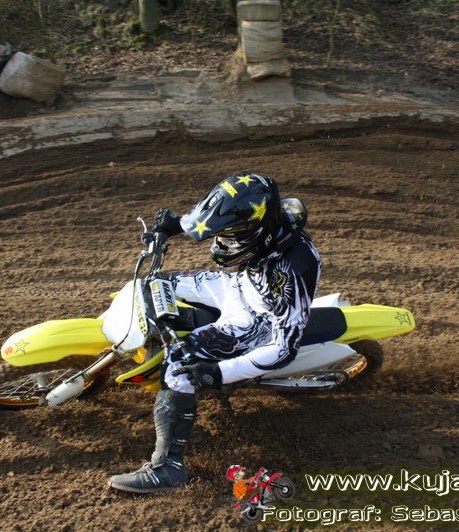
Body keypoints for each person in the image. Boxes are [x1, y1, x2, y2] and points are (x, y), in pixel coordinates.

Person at [109, 172, 322, 493]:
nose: (223, 243)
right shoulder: (267, 219)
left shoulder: (293, 268)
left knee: (179, 370)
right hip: (239, 287)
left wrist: (217, 373)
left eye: (231, 239)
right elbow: (220, 215)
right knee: (153, 285)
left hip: (259, 320)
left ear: (254, 233)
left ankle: (168, 469)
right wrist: (178, 225)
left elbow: (283, 347)